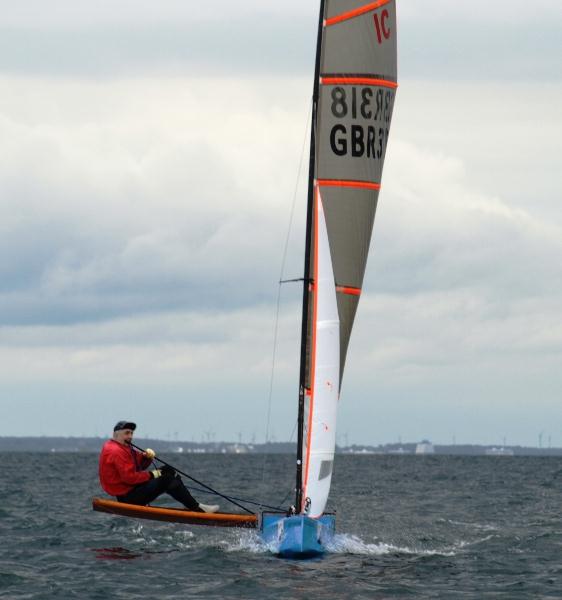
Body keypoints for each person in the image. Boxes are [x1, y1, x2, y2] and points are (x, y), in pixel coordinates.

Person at [99, 421, 219, 513]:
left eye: (131, 433)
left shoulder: (123, 447)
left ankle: (192, 504)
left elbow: (138, 465)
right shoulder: (115, 451)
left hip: (130, 490)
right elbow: (129, 478)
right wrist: (153, 474)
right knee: (167, 479)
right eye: (127, 433)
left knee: (168, 470)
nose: (130, 436)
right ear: (116, 434)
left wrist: (146, 457)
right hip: (128, 498)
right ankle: (196, 508)